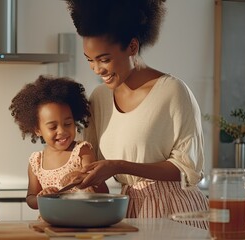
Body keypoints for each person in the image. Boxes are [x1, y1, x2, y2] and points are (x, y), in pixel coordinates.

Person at [64, 0, 209, 229]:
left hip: (176, 209)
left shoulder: (172, 91)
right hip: (127, 208)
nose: (97, 69)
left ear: (132, 47)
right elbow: (92, 161)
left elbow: (186, 168)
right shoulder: (99, 98)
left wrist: (120, 166)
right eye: (90, 60)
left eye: (104, 59)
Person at [9, 75, 109, 210]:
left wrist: (85, 179)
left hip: (83, 222)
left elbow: (103, 191)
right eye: (52, 127)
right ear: (37, 129)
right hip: (51, 224)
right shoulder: (36, 162)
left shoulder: (82, 151)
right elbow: (30, 198)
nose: (62, 131)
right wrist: (42, 197)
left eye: (67, 123)